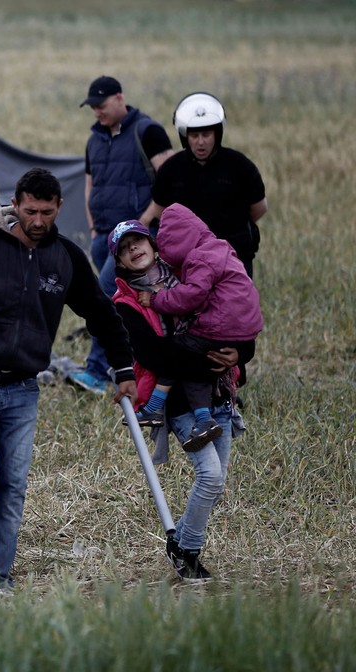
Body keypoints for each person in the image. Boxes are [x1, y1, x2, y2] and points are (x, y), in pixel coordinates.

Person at [0, 168, 138, 594]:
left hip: (23, 386)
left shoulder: (66, 257)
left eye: (46, 212)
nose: (38, 221)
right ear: (15, 205)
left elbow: (102, 313)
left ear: (59, 207)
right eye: (30, 211)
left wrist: (125, 370)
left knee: (14, 482)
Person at [110, 219, 243, 581]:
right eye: (124, 248)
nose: (133, 249)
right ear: (119, 262)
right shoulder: (125, 305)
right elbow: (156, 356)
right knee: (210, 476)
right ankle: (189, 553)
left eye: (138, 241)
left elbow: (232, 315)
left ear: (154, 246)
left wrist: (239, 354)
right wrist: (207, 354)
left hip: (219, 391)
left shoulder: (191, 277)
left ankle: (178, 543)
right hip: (181, 400)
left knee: (216, 484)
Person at [68, 76, 175, 396]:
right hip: (103, 237)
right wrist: (93, 227)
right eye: (92, 107)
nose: (96, 112)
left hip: (133, 240)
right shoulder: (94, 140)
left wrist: (144, 221)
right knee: (124, 304)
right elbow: (91, 185)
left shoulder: (148, 131)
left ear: (119, 98)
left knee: (102, 298)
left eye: (101, 105)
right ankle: (130, 366)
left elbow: (170, 180)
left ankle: (97, 371)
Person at [128, 206, 262, 449]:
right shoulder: (221, 248)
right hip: (243, 327)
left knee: (177, 351)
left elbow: (192, 296)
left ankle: (155, 407)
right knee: (191, 361)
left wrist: (157, 300)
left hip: (220, 327)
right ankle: (203, 419)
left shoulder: (199, 258)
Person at [140, 92, 268, 279]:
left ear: (217, 134)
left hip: (235, 257)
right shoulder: (170, 170)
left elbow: (259, 208)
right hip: (187, 262)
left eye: (207, 134)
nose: (201, 142)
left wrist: (230, 227)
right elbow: (161, 212)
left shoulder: (240, 166)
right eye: (194, 135)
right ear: (185, 136)